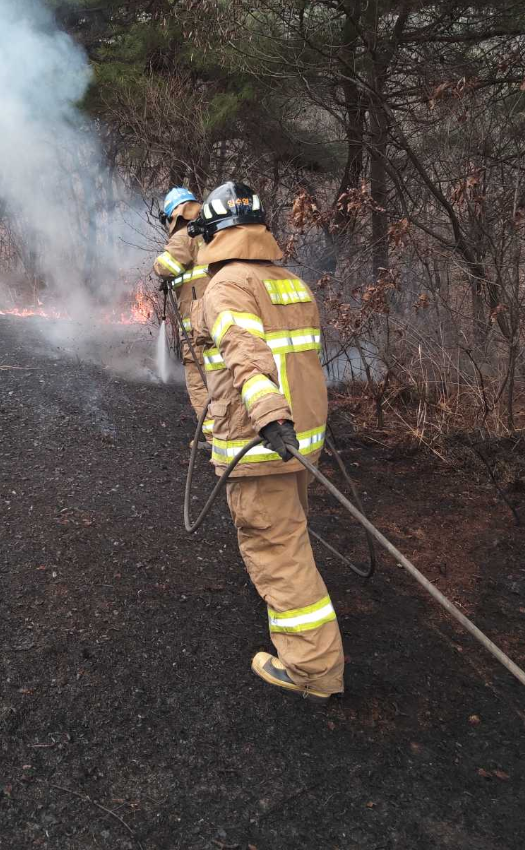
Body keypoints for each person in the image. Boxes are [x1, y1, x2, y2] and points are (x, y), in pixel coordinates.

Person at [188, 181, 344, 701]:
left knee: (278, 552)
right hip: (300, 444)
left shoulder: (227, 286)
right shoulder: (289, 281)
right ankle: (306, 645)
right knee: (290, 538)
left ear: (213, 234)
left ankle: (311, 671)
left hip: (262, 444)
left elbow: (246, 352)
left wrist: (269, 416)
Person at [153, 187, 212, 441]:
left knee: (199, 381)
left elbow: (165, 267)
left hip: (199, 324)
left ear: (173, 215)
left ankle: (216, 440)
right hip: (222, 318)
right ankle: (232, 434)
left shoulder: (184, 234)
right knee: (222, 378)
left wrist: (158, 264)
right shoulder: (213, 231)